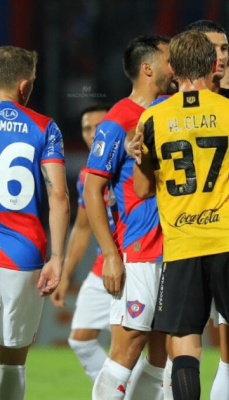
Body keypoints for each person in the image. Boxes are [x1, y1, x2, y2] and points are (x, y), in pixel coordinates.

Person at [133, 29, 229, 400]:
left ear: (172, 68)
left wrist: (141, 158)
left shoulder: (152, 118)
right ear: (213, 65)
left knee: (185, 345)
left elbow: (143, 190)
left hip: (182, 244)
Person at [84, 35, 173, 400]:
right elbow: (92, 190)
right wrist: (110, 254)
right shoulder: (117, 121)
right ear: (148, 68)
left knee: (161, 354)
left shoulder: (171, 110)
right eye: (169, 60)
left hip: (175, 247)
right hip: (139, 249)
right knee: (129, 346)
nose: (175, 67)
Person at [0, 45, 69, 399]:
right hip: (22, 255)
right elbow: (58, 195)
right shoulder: (44, 127)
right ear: (24, 86)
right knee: (13, 360)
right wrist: (57, 258)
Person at [50, 104, 115, 382]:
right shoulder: (87, 175)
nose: (92, 134)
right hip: (104, 265)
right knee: (80, 339)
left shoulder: (128, 163)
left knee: (133, 345)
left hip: (136, 261)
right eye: (87, 128)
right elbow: (81, 228)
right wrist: (65, 276)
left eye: (99, 127)